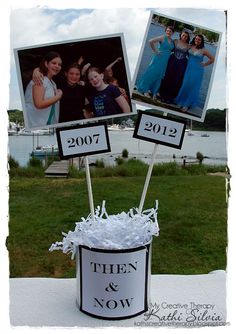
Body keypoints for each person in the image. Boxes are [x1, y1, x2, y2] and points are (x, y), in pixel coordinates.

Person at [174, 34, 215, 112]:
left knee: (192, 87)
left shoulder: (204, 50)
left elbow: (212, 59)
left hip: (197, 70)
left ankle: (186, 104)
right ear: (194, 39)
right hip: (188, 68)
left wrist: (205, 64)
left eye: (199, 39)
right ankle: (180, 101)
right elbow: (181, 49)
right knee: (185, 84)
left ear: (201, 41)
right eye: (196, 39)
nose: (197, 40)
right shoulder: (190, 46)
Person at [24, 51, 63, 128]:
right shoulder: (39, 79)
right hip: (34, 124)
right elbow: (39, 104)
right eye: (54, 63)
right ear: (46, 64)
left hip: (46, 124)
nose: (57, 66)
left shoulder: (53, 83)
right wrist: (58, 96)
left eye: (59, 64)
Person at [136, 26, 175, 99]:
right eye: (167, 30)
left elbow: (171, 50)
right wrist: (156, 51)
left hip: (165, 60)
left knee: (159, 75)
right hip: (158, 58)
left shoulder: (172, 41)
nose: (168, 32)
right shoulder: (162, 37)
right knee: (152, 73)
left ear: (173, 33)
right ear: (165, 31)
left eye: (170, 31)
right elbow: (150, 41)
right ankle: (145, 90)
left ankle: (153, 91)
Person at [159, 30, 190, 104]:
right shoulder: (175, 41)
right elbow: (168, 47)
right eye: (183, 35)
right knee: (167, 77)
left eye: (186, 36)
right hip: (172, 61)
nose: (184, 37)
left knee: (176, 80)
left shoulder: (188, 46)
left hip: (182, 63)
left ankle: (170, 97)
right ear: (180, 35)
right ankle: (162, 94)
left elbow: (191, 56)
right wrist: (160, 49)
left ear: (187, 37)